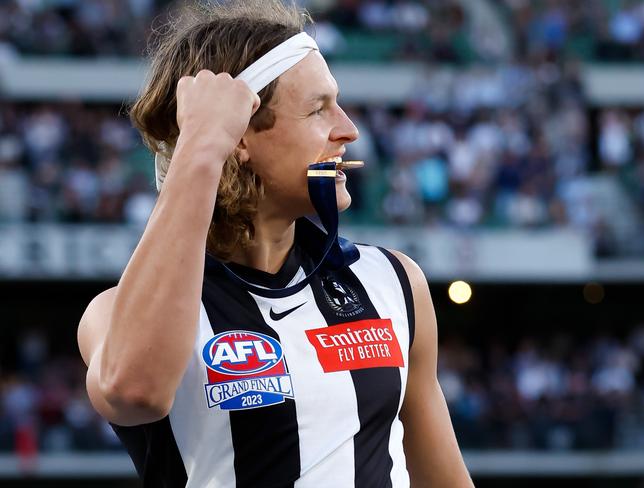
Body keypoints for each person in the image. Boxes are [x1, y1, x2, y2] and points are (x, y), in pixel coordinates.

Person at [77, 1, 474, 486]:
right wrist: (202, 146)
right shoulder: (115, 313)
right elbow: (135, 390)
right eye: (318, 108)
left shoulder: (392, 281)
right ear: (239, 138)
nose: (348, 129)